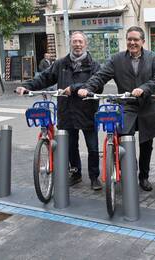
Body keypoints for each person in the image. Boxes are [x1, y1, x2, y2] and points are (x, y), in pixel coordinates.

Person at [78, 26, 155, 192]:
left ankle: (144, 177)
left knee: (147, 144)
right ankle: (129, 173)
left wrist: (144, 88)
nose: (132, 42)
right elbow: (101, 76)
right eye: (129, 39)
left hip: (147, 106)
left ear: (143, 42)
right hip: (127, 106)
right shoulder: (117, 59)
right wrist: (88, 88)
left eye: (136, 40)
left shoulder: (154, 58)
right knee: (125, 140)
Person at [16, 31, 102, 190]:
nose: (77, 44)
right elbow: (44, 78)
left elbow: (97, 84)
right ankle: (75, 173)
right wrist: (27, 86)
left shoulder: (94, 65)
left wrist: (74, 88)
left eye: (80, 42)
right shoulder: (61, 63)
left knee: (93, 147)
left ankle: (94, 177)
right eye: (74, 41)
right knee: (70, 146)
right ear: (70, 43)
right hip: (67, 111)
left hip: (87, 111)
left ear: (85, 44)